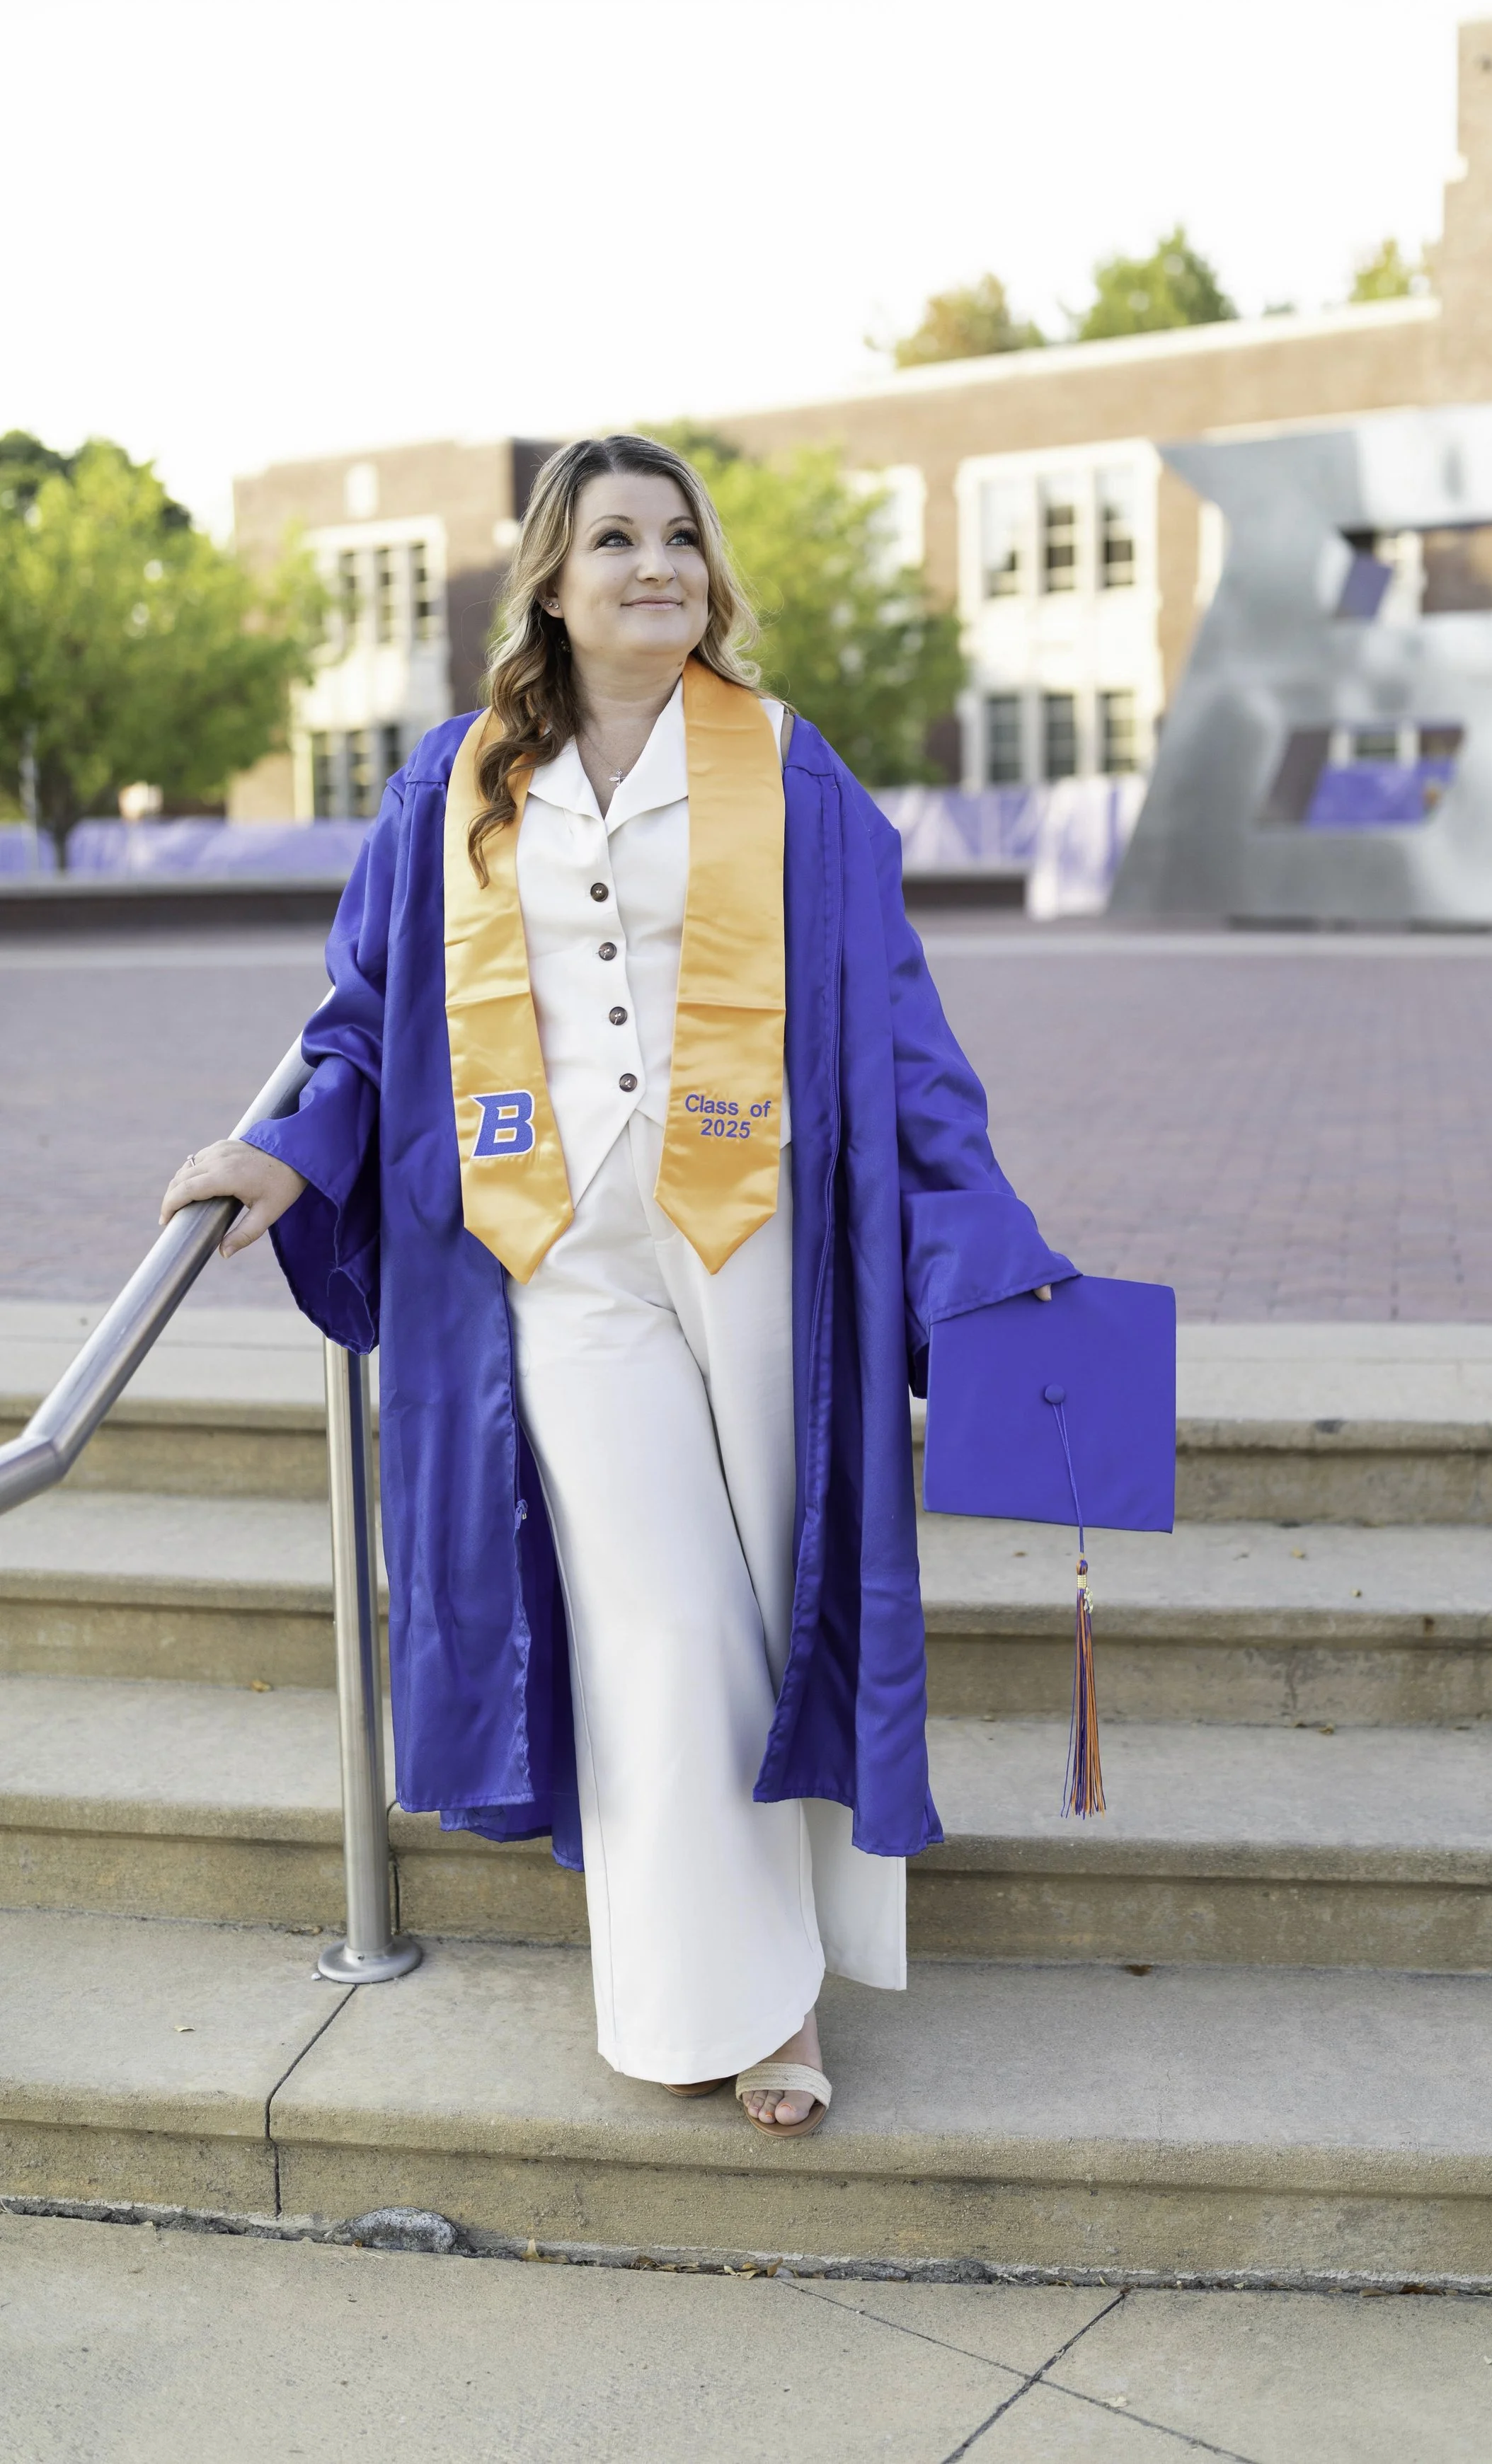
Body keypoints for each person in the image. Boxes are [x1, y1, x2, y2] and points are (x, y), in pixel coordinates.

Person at [162, 432, 1071, 2135]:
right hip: (555, 1255)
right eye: (614, 541)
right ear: (554, 586)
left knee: (776, 1596)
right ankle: (746, 2002)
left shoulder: (793, 775)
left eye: (677, 538)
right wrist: (286, 1153)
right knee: (663, 1619)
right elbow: (360, 1019)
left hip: (760, 1257)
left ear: (707, 577)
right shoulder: (457, 787)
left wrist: (986, 1251)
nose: (654, 564)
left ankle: (780, 1963)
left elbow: (898, 1040)